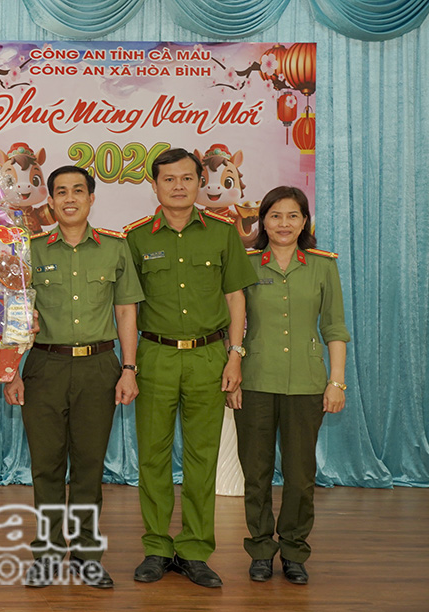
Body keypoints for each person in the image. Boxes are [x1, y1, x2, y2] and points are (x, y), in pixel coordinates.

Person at [4, 165, 144, 588]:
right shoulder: (30, 250)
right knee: (46, 468)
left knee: (88, 467)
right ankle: (46, 555)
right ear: (50, 201)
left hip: (98, 367)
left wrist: (129, 368)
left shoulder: (115, 248)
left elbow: (126, 312)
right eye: (61, 192)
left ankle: (86, 556)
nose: (69, 199)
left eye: (78, 191)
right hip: (43, 367)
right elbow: (14, 315)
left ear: (91, 198)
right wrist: (11, 372)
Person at [124, 148, 257, 588]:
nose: (178, 186)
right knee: (153, 456)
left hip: (208, 356)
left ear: (200, 182)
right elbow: (127, 307)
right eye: (169, 179)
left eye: (186, 178)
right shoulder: (136, 238)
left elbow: (235, 297)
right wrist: (129, 365)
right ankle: (157, 548)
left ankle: (196, 550)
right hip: (155, 355)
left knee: (202, 457)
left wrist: (235, 354)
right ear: (155, 185)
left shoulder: (222, 232)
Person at [227, 186, 350, 585]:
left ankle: (295, 550)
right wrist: (232, 376)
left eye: (293, 215)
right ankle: (261, 549)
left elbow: (334, 327)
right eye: (275, 215)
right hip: (255, 380)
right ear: (262, 221)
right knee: (256, 473)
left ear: (304, 221)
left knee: (300, 476)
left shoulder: (322, 266)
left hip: (306, 385)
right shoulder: (246, 264)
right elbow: (232, 325)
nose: (284, 223)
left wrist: (336, 382)